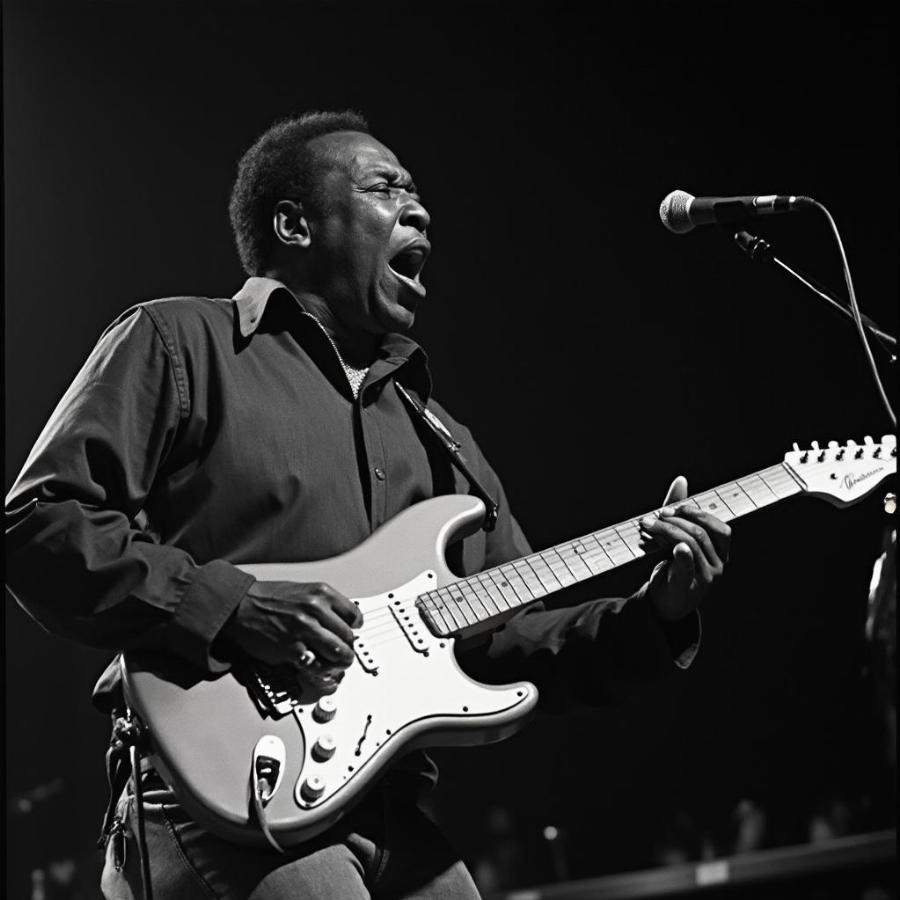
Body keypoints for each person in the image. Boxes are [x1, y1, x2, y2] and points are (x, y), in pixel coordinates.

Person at [5, 110, 732, 900]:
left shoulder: (440, 438)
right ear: (294, 223)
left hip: (386, 809)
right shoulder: (181, 341)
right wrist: (235, 606)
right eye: (387, 188)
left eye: (417, 195)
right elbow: (40, 524)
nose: (419, 210)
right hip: (211, 797)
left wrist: (653, 614)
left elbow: (509, 642)